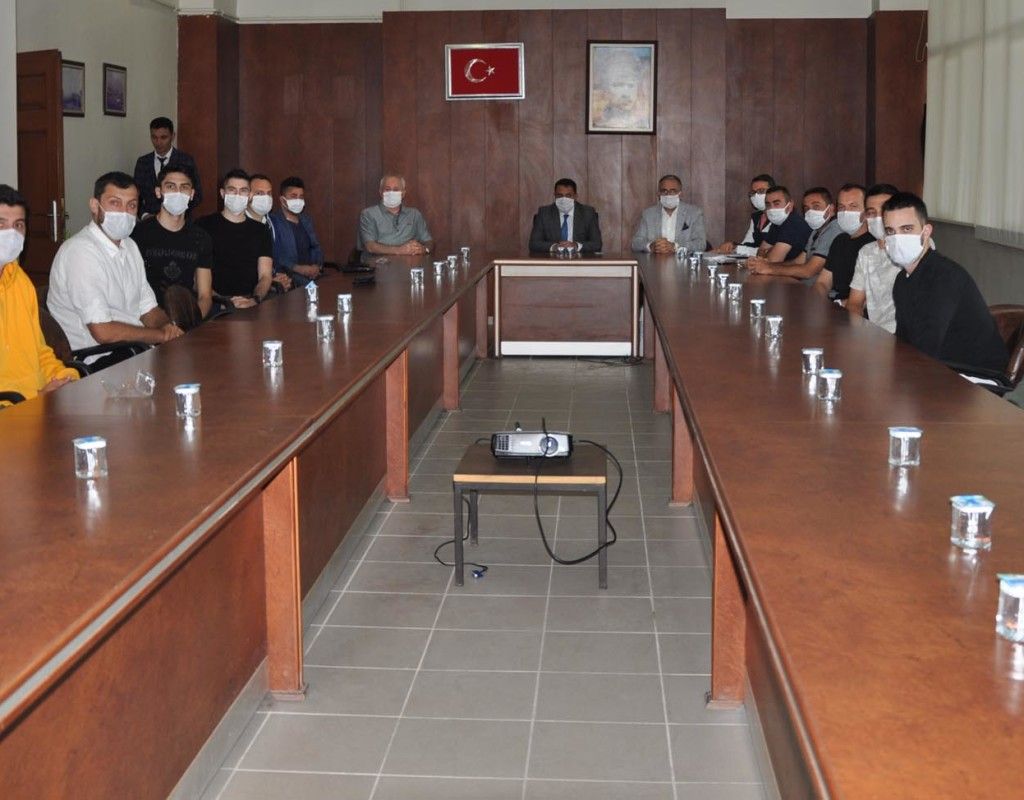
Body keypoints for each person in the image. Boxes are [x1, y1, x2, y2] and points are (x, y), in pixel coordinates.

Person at [47, 172, 184, 369]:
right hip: (94, 361)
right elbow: (103, 332)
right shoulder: (80, 252)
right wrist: (160, 336)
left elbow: (148, 309)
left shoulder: (129, 246)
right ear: (95, 206)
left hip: (132, 350)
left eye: (131, 206)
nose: (124, 212)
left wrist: (168, 328)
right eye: (115, 203)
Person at [883, 192, 1007, 376]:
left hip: (974, 375)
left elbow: (926, 349)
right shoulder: (902, 280)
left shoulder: (945, 277)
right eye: (890, 231)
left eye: (907, 229)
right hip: (937, 367)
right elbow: (903, 340)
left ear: (926, 232)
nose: (897, 238)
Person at [0, 184, 78, 401]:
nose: (10, 234)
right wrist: (35, 398)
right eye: (1, 224)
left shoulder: (21, 282)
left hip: (38, 405)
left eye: (18, 225)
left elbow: (39, 351)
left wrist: (65, 378)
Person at [130, 164, 213, 329]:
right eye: (170, 187)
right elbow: (131, 292)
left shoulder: (201, 237)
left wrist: (192, 324)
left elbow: (205, 295)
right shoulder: (138, 234)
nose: (178, 192)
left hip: (187, 322)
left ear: (191, 194)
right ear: (158, 192)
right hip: (147, 322)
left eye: (184, 187)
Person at [196, 169, 273, 309]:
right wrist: (223, 302)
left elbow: (265, 276)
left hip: (250, 302)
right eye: (232, 190)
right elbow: (196, 277)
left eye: (243, 191)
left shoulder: (261, 230)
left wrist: (255, 300)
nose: (238, 195)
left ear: (249, 196)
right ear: (222, 193)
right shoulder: (203, 225)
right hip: (214, 304)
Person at [747, 186, 841, 281]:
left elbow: (808, 271)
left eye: (816, 206)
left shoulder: (833, 229)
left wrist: (769, 268)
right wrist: (766, 265)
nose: (810, 212)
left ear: (831, 209)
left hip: (816, 288)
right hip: (804, 285)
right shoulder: (815, 231)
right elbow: (798, 262)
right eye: (807, 208)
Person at [847, 183, 901, 333]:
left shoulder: (912, 248)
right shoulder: (866, 252)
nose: (878, 218)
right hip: (874, 333)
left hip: (903, 335)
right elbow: (855, 302)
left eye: (884, 211)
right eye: (871, 213)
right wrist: (856, 332)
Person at [813, 184, 874, 303]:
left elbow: (872, 297)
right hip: (833, 305)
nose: (846, 212)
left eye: (853, 206)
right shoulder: (839, 241)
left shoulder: (873, 244)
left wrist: (839, 306)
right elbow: (823, 282)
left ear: (866, 211)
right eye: (841, 207)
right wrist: (816, 300)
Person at [132, 117, 202, 217]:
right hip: (150, 219)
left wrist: (178, 212)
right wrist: (144, 215)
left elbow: (197, 195)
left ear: (172, 136)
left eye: (163, 137)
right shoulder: (143, 162)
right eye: (154, 137)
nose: (158, 142)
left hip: (179, 219)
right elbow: (135, 195)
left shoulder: (186, 160)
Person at [358, 175, 434, 256]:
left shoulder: (414, 214)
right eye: (387, 189)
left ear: (403, 193)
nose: (391, 193)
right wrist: (400, 250)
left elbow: (429, 241)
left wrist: (424, 249)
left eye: (396, 189)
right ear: (380, 192)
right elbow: (370, 247)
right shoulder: (368, 214)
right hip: (378, 262)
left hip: (409, 262)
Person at [630, 174, 706, 254]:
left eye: (673, 191)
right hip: (655, 260)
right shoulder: (648, 214)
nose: (668, 195)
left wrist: (675, 247)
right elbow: (636, 243)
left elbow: (701, 244)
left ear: (680, 193)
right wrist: (650, 246)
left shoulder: (694, 213)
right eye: (664, 191)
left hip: (683, 260)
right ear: (659, 193)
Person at [269, 176, 323, 288]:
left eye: (301, 197)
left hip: (312, 276)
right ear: (282, 200)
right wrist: (297, 268)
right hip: (290, 277)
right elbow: (275, 255)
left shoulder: (306, 220)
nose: (298, 200)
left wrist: (317, 266)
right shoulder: (274, 222)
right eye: (293, 196)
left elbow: (315, 246)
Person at [529, 178, 603, 253]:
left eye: (568, 195)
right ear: (554, 195)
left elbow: (597, 244)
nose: (564, 199)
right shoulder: (544, 213)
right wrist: (555, 247)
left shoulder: (588, 213)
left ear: (575, 196)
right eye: (560, 195)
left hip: (579, 258)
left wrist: (576, 246)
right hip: (553, 258)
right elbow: (534, 244)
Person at [246, 174, 291, 293]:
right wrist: (269, 281)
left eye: (268, 193)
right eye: (259, 193)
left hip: (276, 285)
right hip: (250, 289)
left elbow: (281, 258)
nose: (265, 198)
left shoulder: (276, 222)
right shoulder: (240, 223)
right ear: (247, 195)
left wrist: (281, 277)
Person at [714, 173, 774, 256]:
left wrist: (737, 248)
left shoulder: (778, 217)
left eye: (761, 191)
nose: (756, 196)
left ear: (773, 191)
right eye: (753, 192)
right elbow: (747, 243)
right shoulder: (756, 217)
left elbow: (771, 251)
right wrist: (732, 246)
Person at [749, 185, 812, 264]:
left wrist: (769, 251)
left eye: (776, 204)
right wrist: (771, 251)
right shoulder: (777, 223)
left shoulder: (793, 223)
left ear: (790, 205)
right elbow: (760, 252)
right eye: (768, 205)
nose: (772, 208)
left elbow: (773, 260)